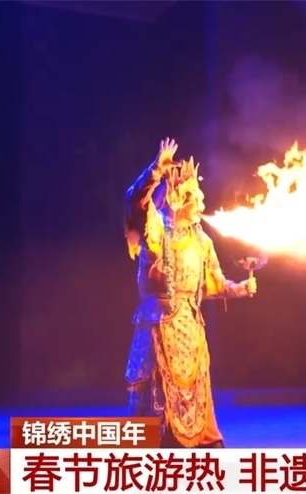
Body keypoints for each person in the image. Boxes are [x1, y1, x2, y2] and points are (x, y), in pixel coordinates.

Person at [123, 137, 257, 448]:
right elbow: (135, 201)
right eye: (194, 196)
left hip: (191, 329)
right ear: (175, 198)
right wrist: (156, 170)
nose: (201, 202)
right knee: (158, 396)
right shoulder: (156, 232)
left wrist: (238, 289)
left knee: (196, 392)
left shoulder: (202, 241)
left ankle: (201, 448)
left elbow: (213, 283)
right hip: (158, 327)